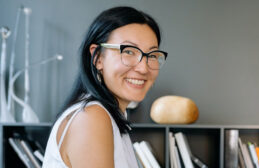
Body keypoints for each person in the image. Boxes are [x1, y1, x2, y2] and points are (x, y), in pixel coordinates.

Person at [42, 6, 168, 168]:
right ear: (98, 58)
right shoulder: (92, 117)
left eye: (152, 55)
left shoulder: (110, 117)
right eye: (129, 52)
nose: (143, 68)